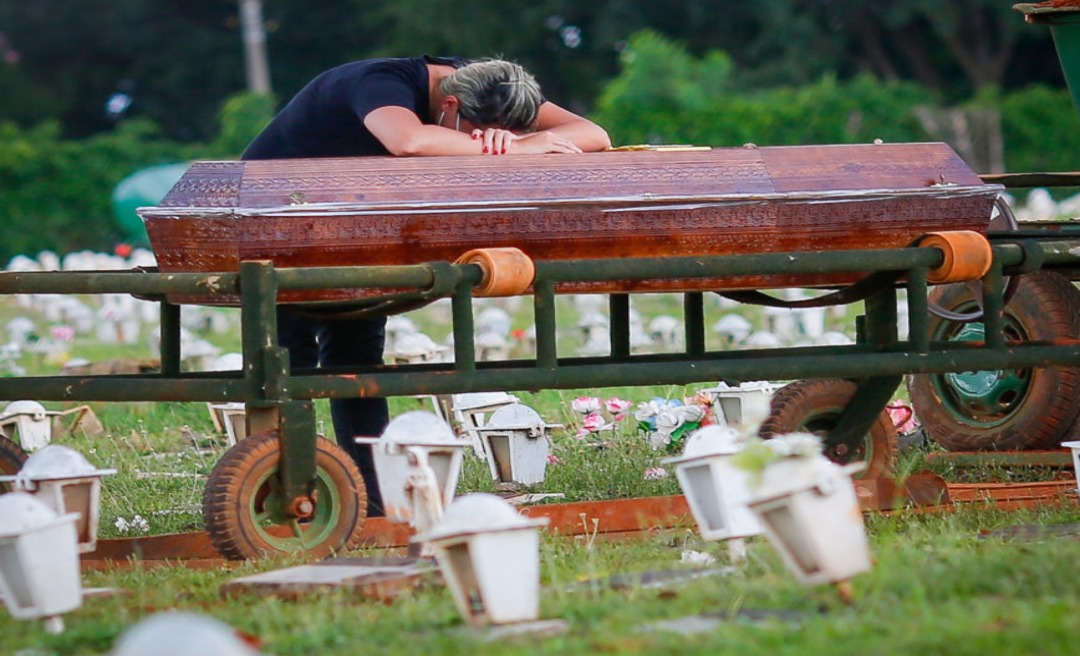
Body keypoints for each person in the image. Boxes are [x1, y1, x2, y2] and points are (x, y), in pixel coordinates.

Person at [242, 55, 610, 517]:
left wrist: (523, 139)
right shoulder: (380, 82)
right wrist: (513, 150)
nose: (482, 141)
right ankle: (280, 493)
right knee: (288, 365)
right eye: (472, 131)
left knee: (357, 361)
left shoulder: (495, 84)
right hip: (274, 218)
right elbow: (409, 141)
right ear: (450, 105)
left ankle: (372, 505)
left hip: (349, 224)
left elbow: (594, 135)